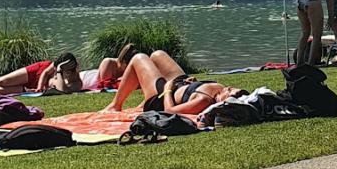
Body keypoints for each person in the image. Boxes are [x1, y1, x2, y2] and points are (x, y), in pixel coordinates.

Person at [103, 50, 242, 113]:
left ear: (224, 102)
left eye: (229, 92)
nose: (228, 87)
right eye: (232, 88)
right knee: (158, 55)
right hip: (181, 84)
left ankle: (115, 105)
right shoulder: (219, 89)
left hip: (161, 98)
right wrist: (194, 83)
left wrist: (168, 89)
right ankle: (140, 103)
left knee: (138, 58)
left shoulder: (204, 100)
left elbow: (169, 110)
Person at [0, 52, 81, 96]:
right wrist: (40, 87)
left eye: (67, 72)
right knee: (0, 81)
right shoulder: (55, 65)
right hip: (37, 72)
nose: (65, 74)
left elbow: (61, 91)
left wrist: (59, 71)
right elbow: (45, 72)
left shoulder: (76, 83)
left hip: (33, 88)